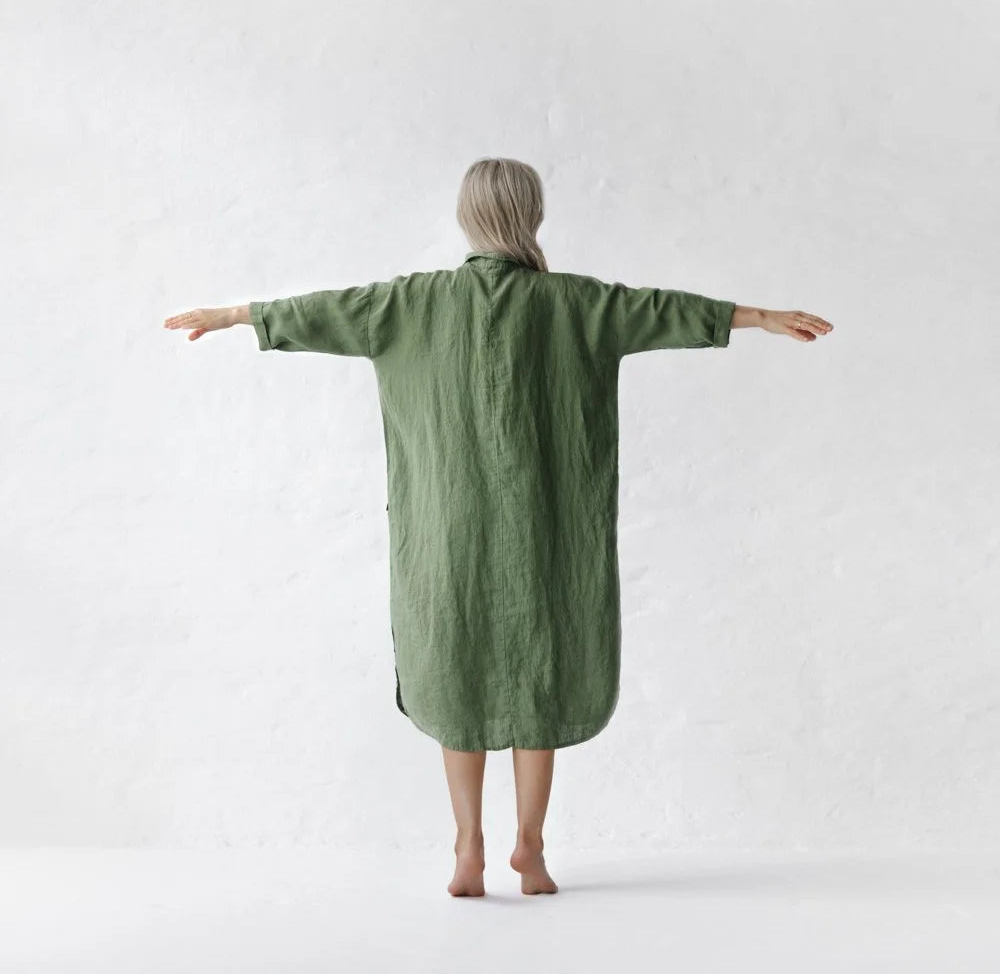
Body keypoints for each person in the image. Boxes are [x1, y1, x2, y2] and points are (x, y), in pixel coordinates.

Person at [163, 156, 833, 898]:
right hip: (547, 537)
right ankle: (530, 848)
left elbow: (324, 310)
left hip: (445, 536)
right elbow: (660, 309)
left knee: (457, 676)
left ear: (467, 217)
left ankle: (468, 848)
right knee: (540, 673)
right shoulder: (575, 304)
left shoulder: (410, 303)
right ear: (531, 215)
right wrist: (757, 317)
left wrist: (234, 316)